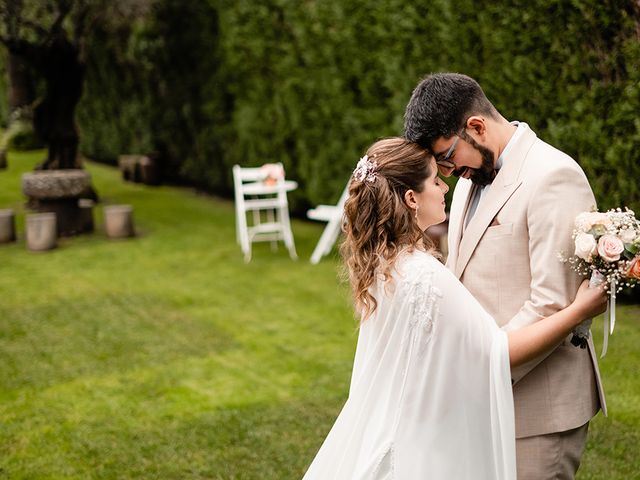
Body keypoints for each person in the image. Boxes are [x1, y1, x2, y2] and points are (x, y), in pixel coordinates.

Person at [302, 138, 606, 479]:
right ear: (411, 198)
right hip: (428, 448)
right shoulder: (424, 276)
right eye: (434, 180)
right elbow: (497, 353)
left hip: (404, 428)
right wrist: (580, 310)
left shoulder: (385, 266)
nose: (445, 186)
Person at [403, 73, 606, 479]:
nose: (445, 171)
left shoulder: (553, 175)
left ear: (476, 126)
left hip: (537, 408)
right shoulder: (467, 182)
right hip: (483, 398)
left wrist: (473, 370)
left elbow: (553, 303)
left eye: (447, 155)